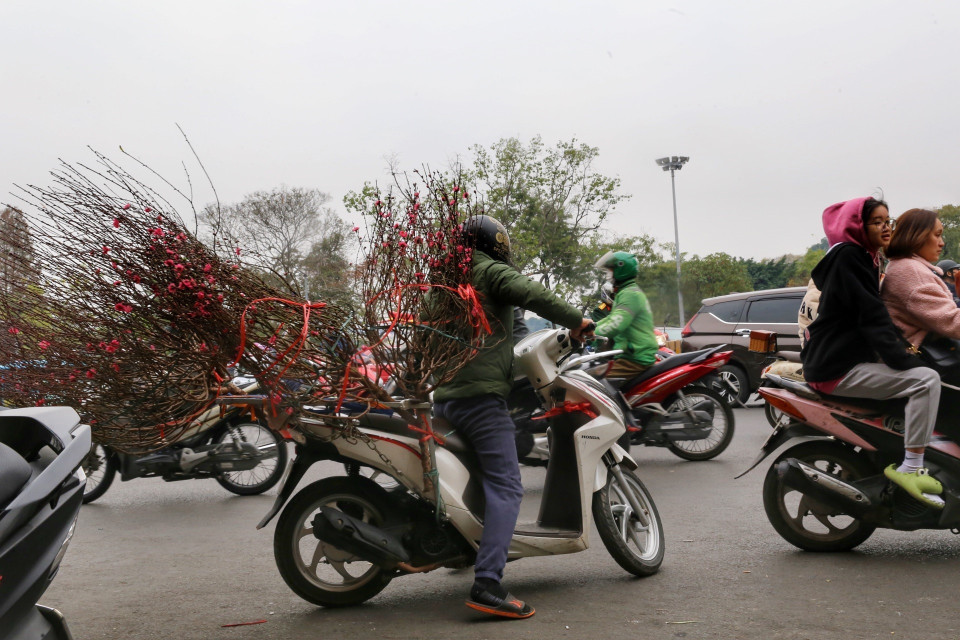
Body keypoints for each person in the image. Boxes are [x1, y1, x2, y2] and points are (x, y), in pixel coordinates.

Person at [432, 215, 591, 619]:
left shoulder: (442, 283)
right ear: (495, 243)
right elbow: (530, 292)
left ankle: (469, 549)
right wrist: (577, 321)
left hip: (444, 400)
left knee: (479, 479)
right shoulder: (487, 272)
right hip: (480, 401)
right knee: (508, 486)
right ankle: (488, 584)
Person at [801, 197, 943, 508]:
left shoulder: (866, 257)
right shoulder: (850, 257)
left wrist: (905, 352)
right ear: (857, 227)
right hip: (836, 368)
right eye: (877, 222)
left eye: (887, 220)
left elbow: (877, 316)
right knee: (926, 380)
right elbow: (871, 315)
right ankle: (911, 465)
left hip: (840, 361)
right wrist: (904, 359)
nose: (885, 227)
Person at [883, 209, 960, 438]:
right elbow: (951, 321)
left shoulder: (911, 267)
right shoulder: (911, 272)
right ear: (917, 235)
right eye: (936, 235)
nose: (942, 242)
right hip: (929, 360)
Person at [592, 251, 660, 378]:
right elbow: (611, 319)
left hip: (635, 359)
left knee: (595, 383)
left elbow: (616, 324)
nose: (608, 275)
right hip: (629, 356)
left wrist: (591, 334)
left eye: (610, 270)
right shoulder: (626, 292)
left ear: (621, 269)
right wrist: (589, 326)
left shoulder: (630, 294)